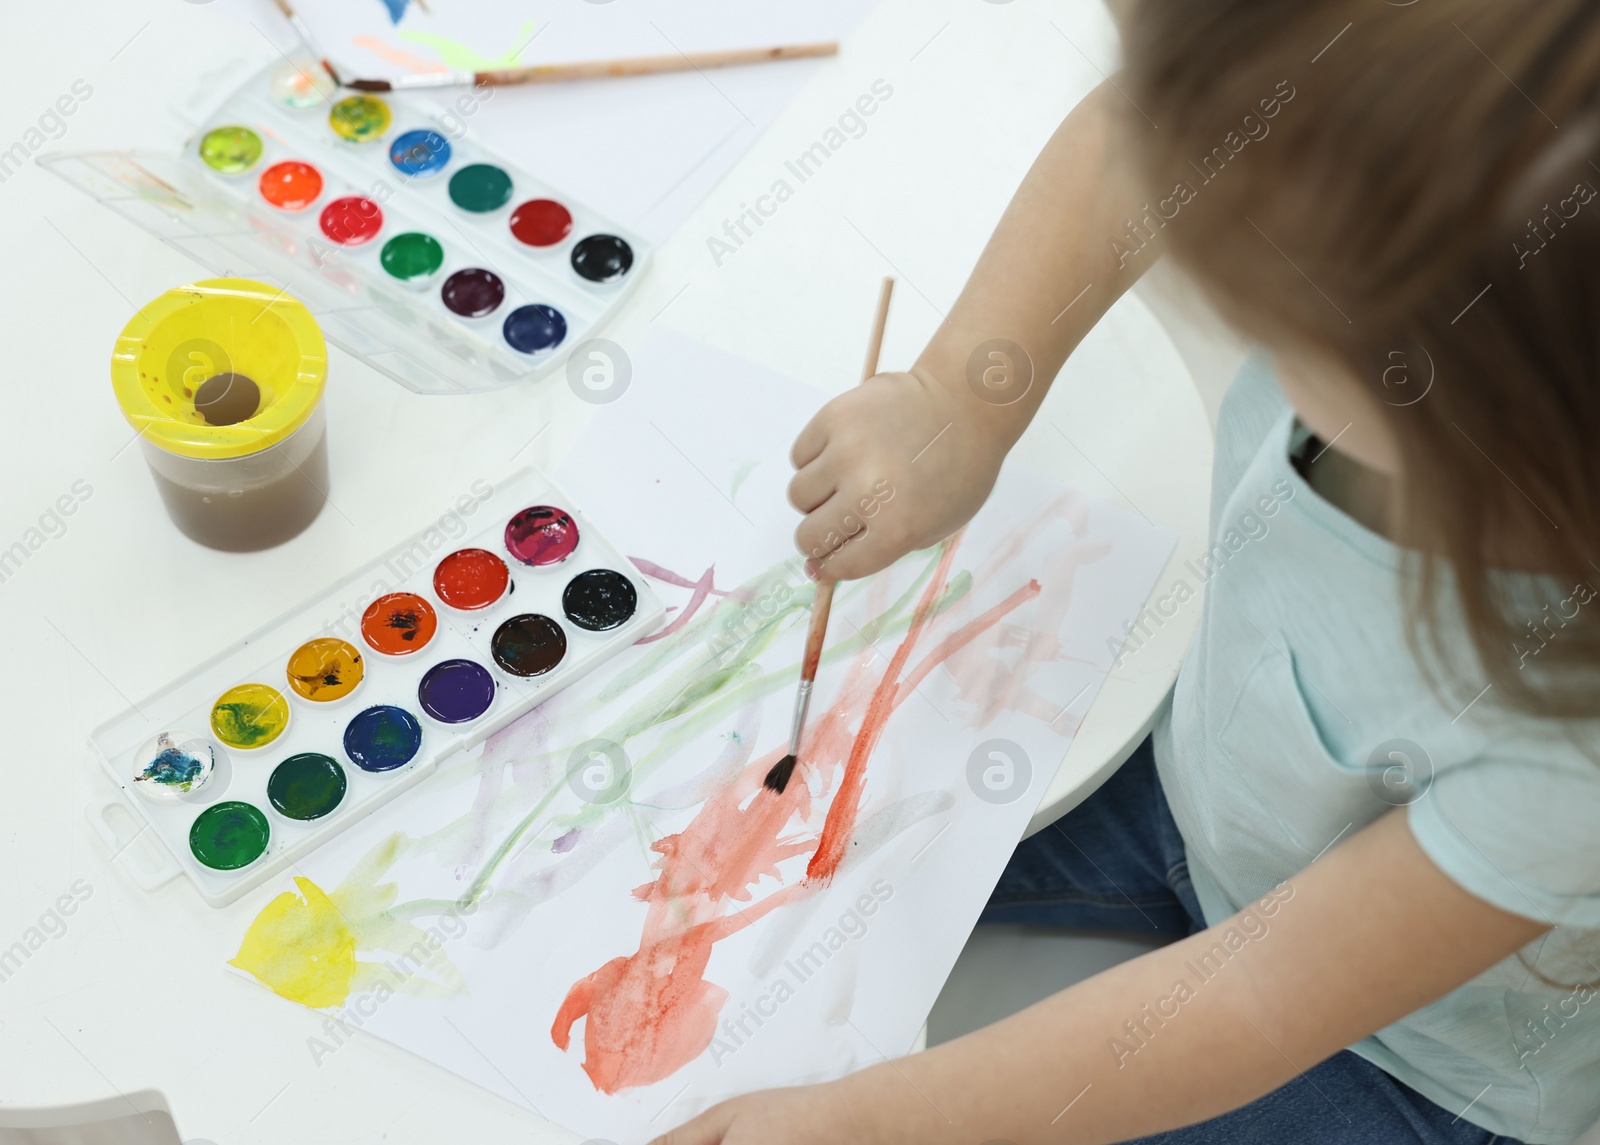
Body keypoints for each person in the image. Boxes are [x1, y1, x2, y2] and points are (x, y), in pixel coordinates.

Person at [654, 1, 1600, 1141]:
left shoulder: (1569, 751)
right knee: (772, 884)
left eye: (1275, 296)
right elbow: (1140, 141)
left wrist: (860, 1121)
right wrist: (960, 395)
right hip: (1193, 780)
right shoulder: (1409, 317)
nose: (1206, 272)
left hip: (1408, 1054)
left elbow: (1258, 996)